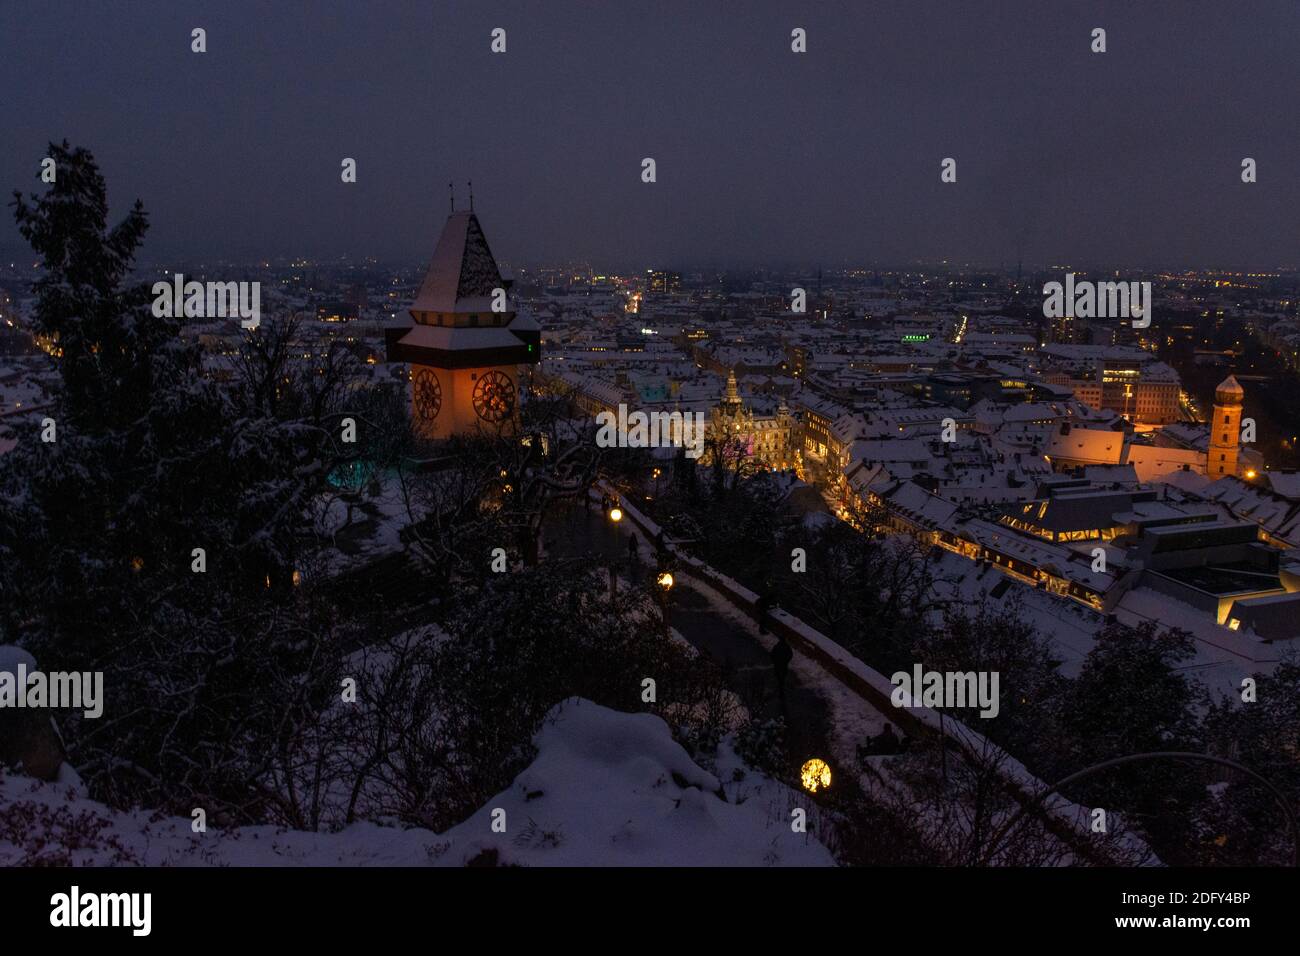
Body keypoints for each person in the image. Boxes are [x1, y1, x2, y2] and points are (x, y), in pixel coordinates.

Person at [770, 634, 793, 702]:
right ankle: (781, 685)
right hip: (783, 664)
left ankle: (780, 684)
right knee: (783, 674)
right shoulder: (787, 647)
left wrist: (774, 661)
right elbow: (790, 655)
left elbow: (772, 654)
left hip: (777, 663)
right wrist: (786, 661)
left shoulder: (776, 646)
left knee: (778, 674)